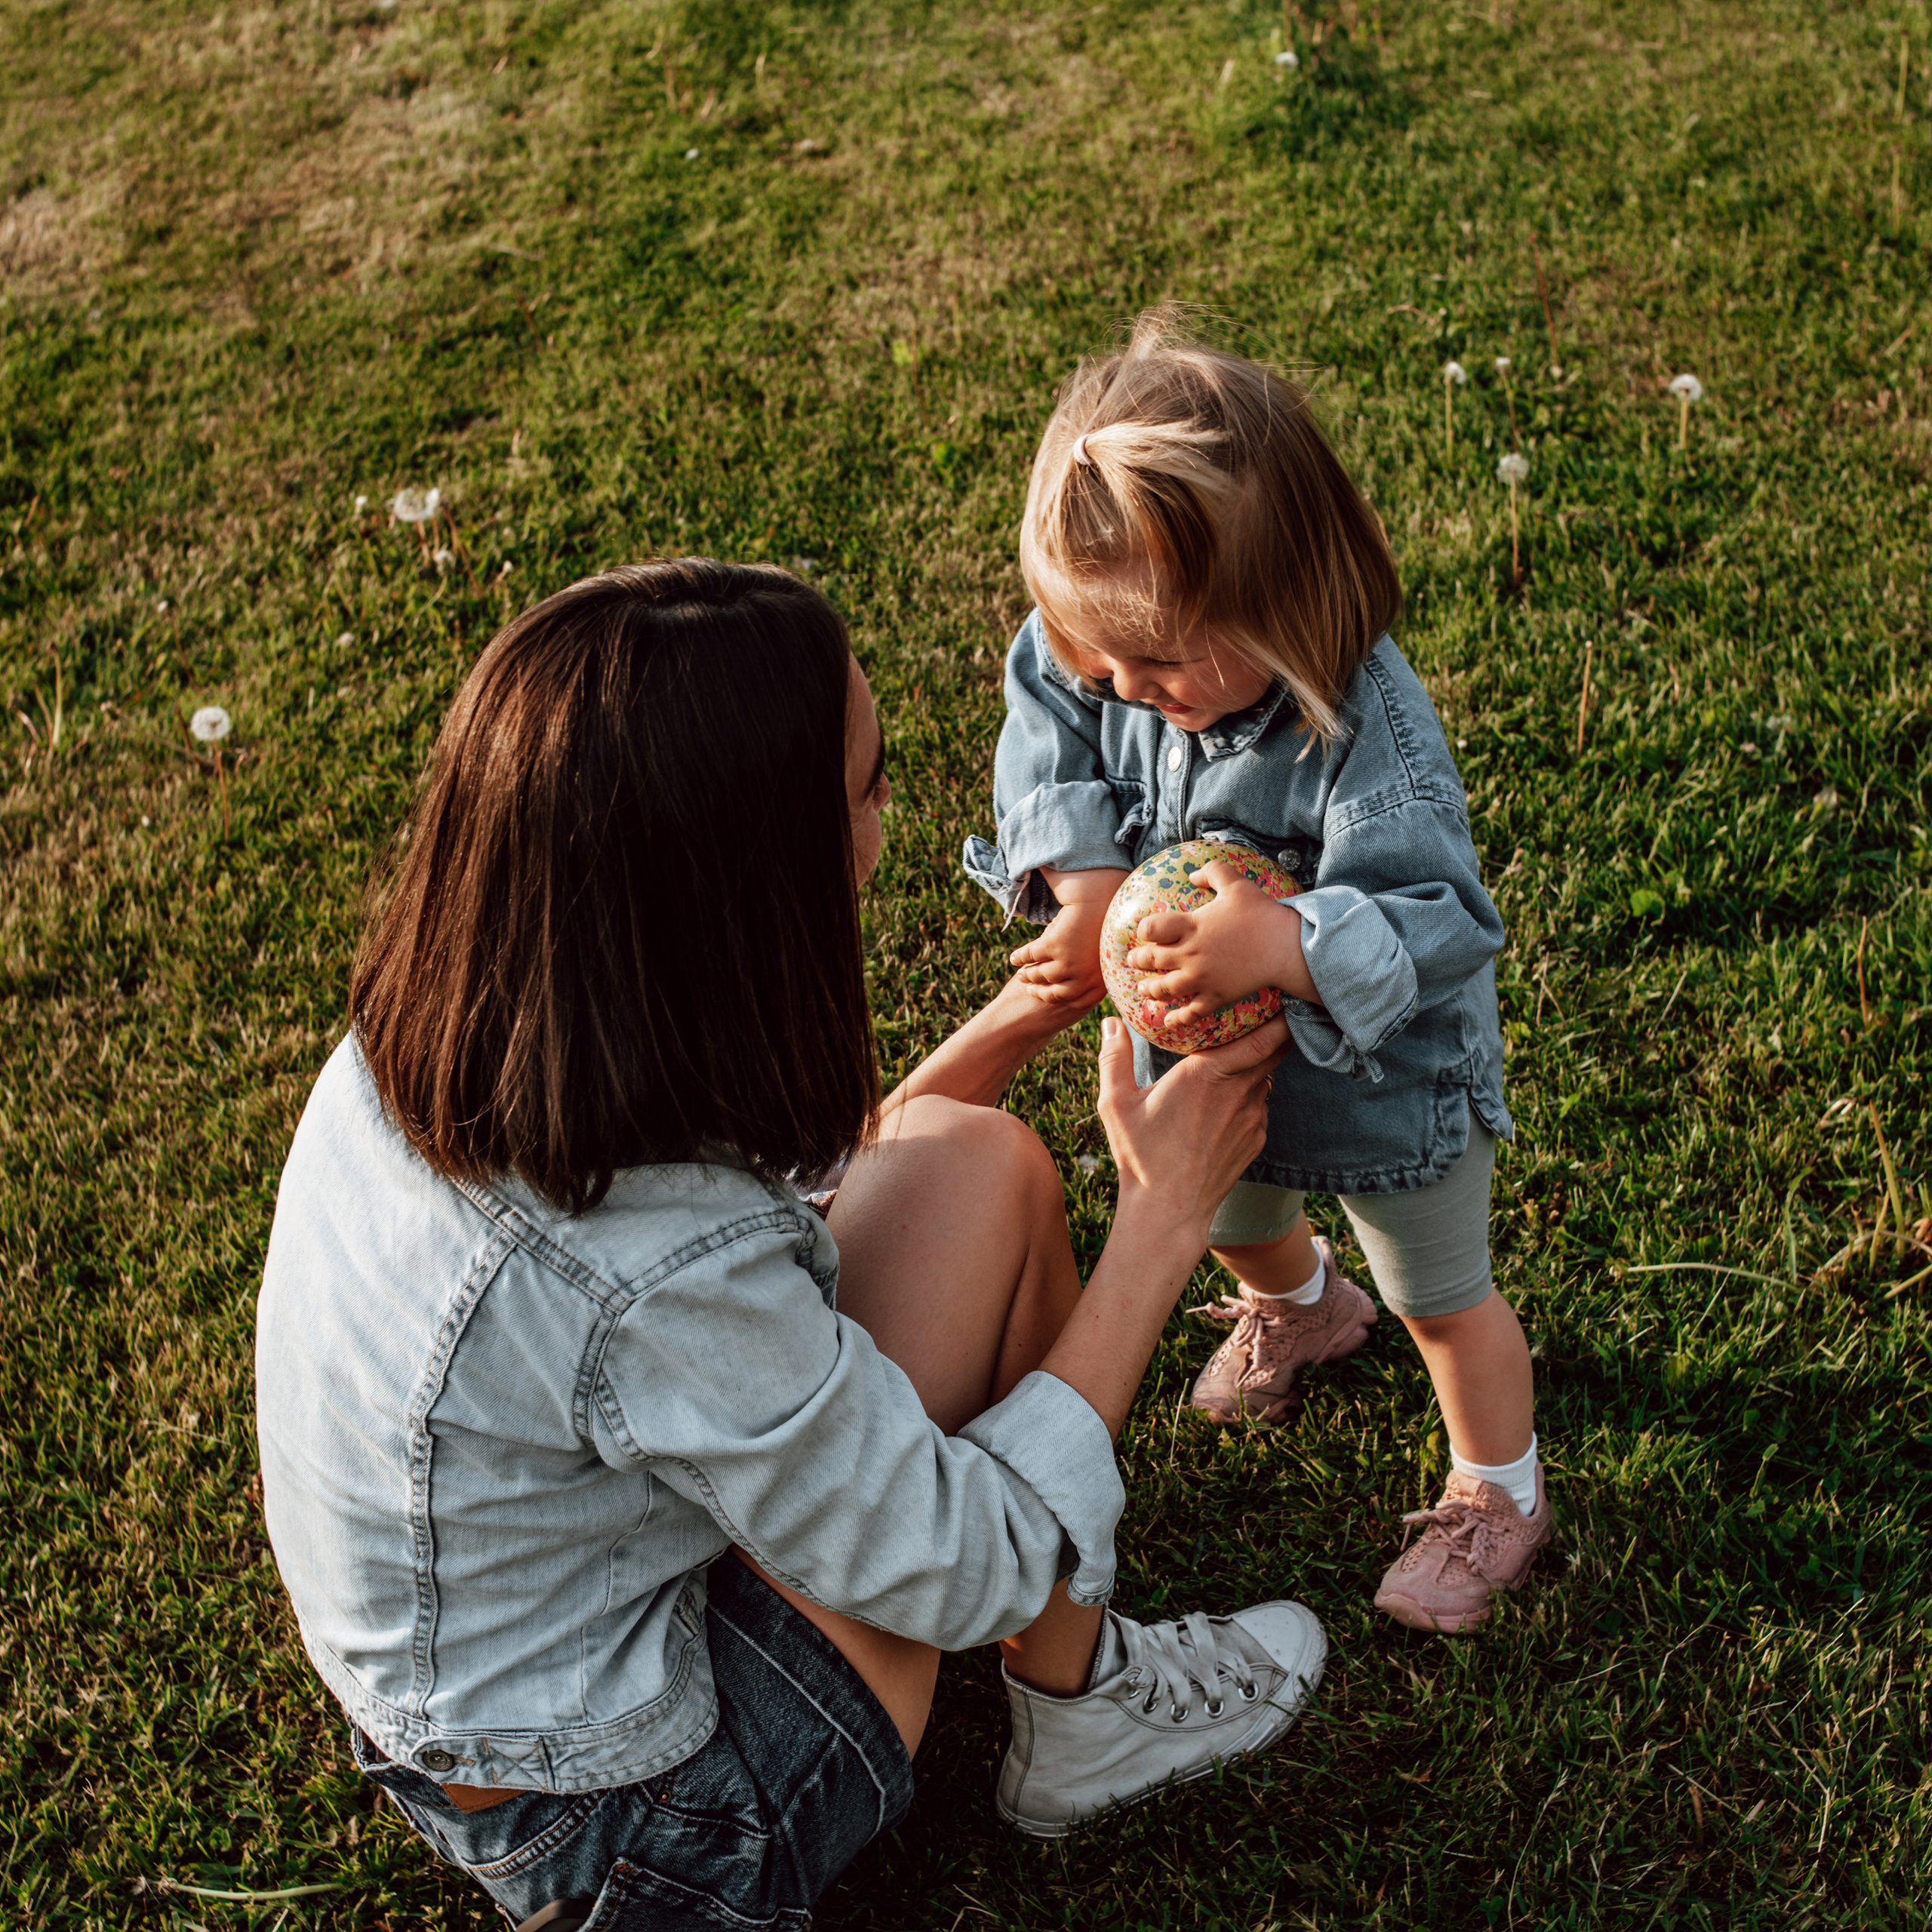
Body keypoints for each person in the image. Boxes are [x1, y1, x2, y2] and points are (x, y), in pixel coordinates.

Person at [255, 560, 1325, 1932]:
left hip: (481, 1698)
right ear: (758, 869)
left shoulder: (477, 1031)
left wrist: (1019, 1015)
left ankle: (1081, 1700)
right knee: (985, 1485)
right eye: (870, 788)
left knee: (982, 1170)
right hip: (628, 1824)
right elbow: (973, 1559)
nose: (891, 810)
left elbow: (805, 1206)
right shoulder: (644, 1259)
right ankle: (1091, 1705)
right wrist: (1165, 1222)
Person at [962, 314, 1551, 1635]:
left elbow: (1443, 914)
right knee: (1232, 1214)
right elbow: (1047, 735)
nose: (1124, 687)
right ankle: (1298, 1309)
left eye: (1157, 663)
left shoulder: (1364, 727)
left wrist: (1280, 947)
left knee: (1441, 1298)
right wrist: (1088, 886)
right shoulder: (1108, 657)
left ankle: (1496, 1488)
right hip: (1209, 1065)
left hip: (1383, 1080)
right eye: (1100, 660)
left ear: (1282, 605)